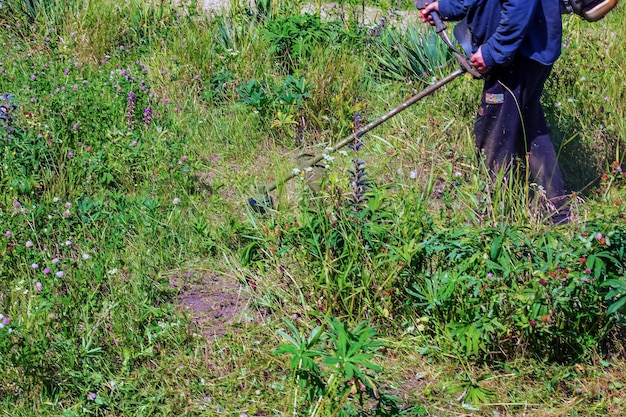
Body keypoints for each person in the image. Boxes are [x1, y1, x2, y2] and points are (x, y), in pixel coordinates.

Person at [420, 0, 571, 224]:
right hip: (531, 49)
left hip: (519, 55)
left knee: (494, 130)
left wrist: (493, 51)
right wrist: (444, 7)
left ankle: (493, 217)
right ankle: (557, 210)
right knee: (528, 126)